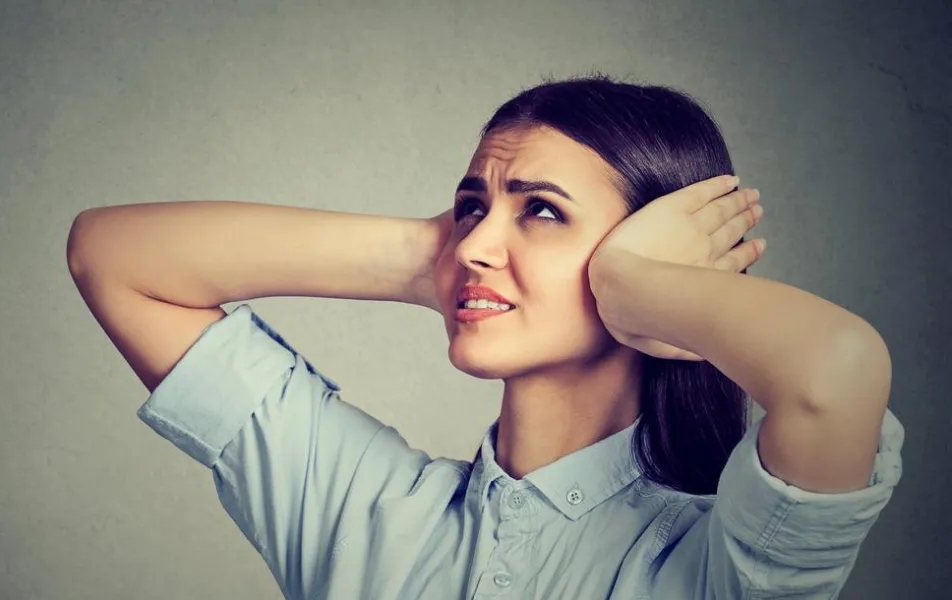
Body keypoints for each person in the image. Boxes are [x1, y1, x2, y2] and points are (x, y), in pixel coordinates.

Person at [67, 74, 903, 599]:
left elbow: (837, 371)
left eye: (542, 210)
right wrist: (434, 255)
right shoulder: (361, 509)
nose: (475, 242)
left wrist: (641, 287)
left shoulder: (722, 567)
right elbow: (112, 256)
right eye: (473, 204)